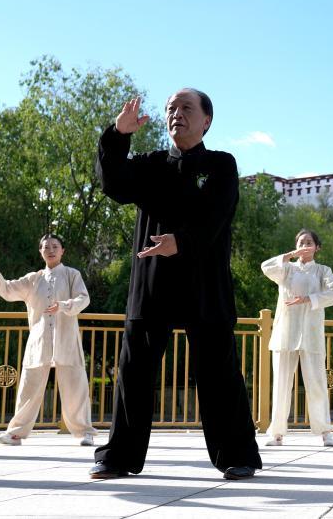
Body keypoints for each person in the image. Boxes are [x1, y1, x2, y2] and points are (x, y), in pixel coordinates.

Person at [90, 90, 262, 480]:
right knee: (134, 370)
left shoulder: (221, 165)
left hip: (205, 280)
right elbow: (112, 183)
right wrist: (118, 134)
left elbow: (217, 214)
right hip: (153, 279)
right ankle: (118, 456)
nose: (176, 114)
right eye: (170, 108)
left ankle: (237, 454)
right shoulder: (150, 164)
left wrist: (181, 242)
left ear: (206, 121)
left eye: (186, 108)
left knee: (219, 372)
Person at [0, 234, 98, 446]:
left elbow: (84, 298)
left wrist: (64, 305)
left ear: (62, 251)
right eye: (46, 247)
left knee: (76, 386)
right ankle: (16, 433)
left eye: (55, 246)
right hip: (39, 340)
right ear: (40, 252)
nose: (51, 250)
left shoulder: (72, 275)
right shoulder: (33, 279)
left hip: (67, 340)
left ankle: (84, 432)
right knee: (28, 388)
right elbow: (7, 290)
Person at [262, 229, 333, 447]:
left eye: (309, 242)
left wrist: (308, 299)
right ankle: (276, 433)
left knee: (316, 383)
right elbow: (265, 267)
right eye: (301, 242)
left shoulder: (323, 271)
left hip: (311, 334)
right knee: (281, 384)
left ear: (317, 247)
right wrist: (289, 255)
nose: (304, 245)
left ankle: (325, 431)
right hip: (285, 333)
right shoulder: (286, 269)